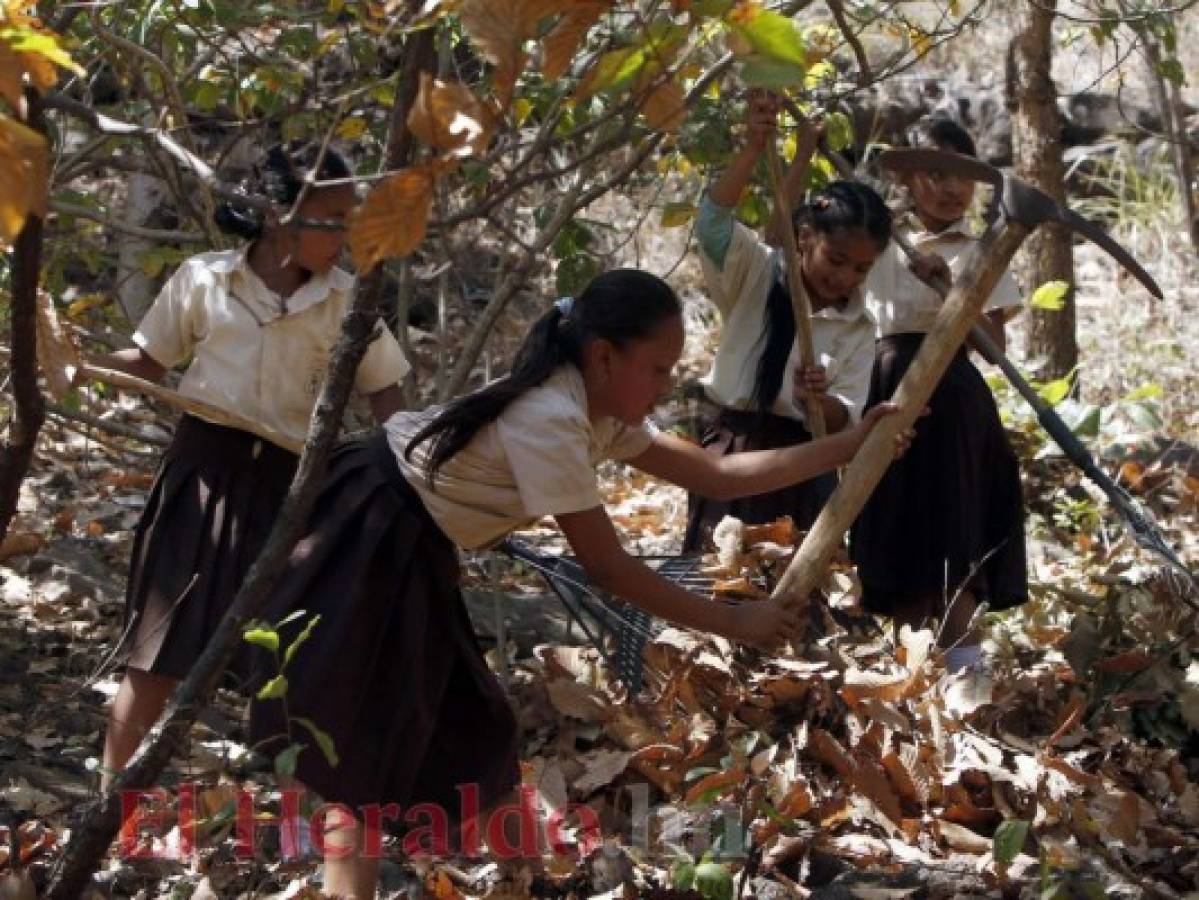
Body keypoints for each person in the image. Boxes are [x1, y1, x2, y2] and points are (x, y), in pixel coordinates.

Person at [248, 269, 912, 898]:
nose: (664, 384)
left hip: (412, 540)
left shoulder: (596, 408)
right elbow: (608, 566)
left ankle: (530, 877)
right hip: (369, 528)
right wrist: (736, 621)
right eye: (655, 369)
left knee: (475, 727)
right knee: (365, 734)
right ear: (602, 356)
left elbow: (717, 475)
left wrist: (848, 444)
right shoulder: (549, 417)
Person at [95, 142, 410, 789]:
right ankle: (110, 799)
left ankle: (298, 806)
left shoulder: (349, 300)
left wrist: (405, 472)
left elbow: (387, 393)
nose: (341, 237)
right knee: (158, 656)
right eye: (328, 219)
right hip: (203, 478)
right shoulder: (204, 280)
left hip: (293, 494)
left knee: (297, 657)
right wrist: (69, 359)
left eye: (347, 221)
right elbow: (147, 362)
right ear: (276, 215)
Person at [851, 118, 1028, 670]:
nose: (951, 189)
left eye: (961, 176)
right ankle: (909, 685)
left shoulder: (981, 252)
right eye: (935, 173)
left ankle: (967, 684)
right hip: (888, 396)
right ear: (907, 181)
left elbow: (993, 344)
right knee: (903, 534)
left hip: (953, 403)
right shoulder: (876, 245)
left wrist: (952, 292)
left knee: (957, 534)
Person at [684, 92, 891, 551]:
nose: (845, 277)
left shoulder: (860, 326)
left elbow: (845, 415)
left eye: (861, 269)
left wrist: (818, 402)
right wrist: (754, 149)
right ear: (805, 238)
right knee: (719, 572)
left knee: (787, 586)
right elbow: (714, 224)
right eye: (836, 260)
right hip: (732, 453)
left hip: (803, 464)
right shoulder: (757, 274)